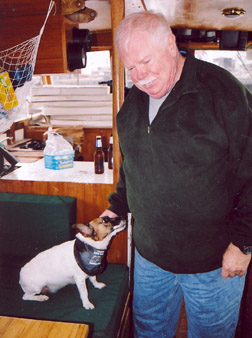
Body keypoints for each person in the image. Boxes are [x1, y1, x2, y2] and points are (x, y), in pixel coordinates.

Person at [101, 11, 252, 338]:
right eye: (131, 68)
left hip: (213, 263)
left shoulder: (222, 91)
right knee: (149, 332)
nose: (140, 76)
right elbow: (133, 168)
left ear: (171, 45)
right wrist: (115, 208)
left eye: (146, 60)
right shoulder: (131, 107)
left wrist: (243, 243)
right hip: (150, 258)